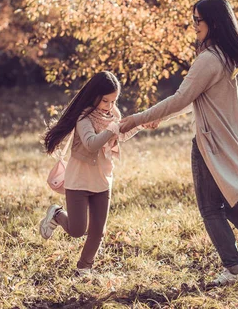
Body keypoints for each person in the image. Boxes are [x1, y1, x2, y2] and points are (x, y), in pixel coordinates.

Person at [119, 0, 238, 287]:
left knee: (209, 207)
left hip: (211, 142)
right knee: (221, 198)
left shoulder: (209, 59)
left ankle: (233, 268)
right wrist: (158, 117)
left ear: (214, 22)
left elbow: (181, 97)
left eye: (198, 20)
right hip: (229, 139)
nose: (194, 26)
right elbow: (192, 98)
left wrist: (137, 118)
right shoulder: (232, 57)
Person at [39, 71, 153, 276]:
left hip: (102, 179)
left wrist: (140, 125)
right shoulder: (83, 118)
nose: (110, 106)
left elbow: (122, 135)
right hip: (79, 181)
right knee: (77, 230)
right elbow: (91, 144)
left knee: (98, 231)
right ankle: (56, 213)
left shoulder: (113, 116)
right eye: (105, 101)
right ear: (94, 96)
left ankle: (84, 268)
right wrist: (113, 128)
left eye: (113, 101)